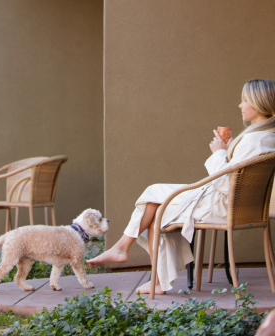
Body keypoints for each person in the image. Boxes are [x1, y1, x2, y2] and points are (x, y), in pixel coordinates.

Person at [87, 79, 275, 295]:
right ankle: (128, 255)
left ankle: (131, 257)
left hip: (222, 205)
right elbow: (238, 177)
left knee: (155, 203)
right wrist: (229, 149)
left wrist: (219, 153)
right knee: (154, 196)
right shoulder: (267, 137)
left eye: (244, 100)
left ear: (259, 103)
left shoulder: (253, 140)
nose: (240, 105)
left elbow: (227, 185)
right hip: (239, 206)